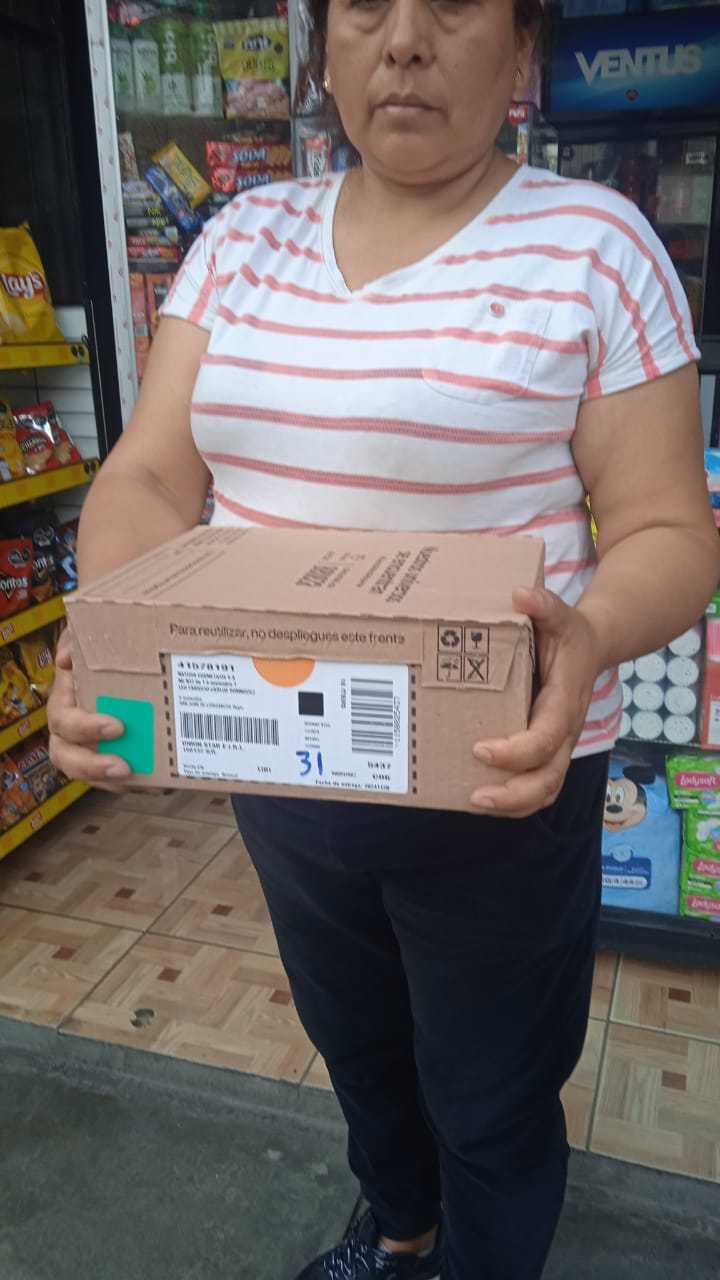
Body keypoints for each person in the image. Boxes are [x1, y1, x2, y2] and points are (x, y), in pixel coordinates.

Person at [48, 0, 719, 1275]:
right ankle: (400, 1228)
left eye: (452, 4)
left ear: (524, 48)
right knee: (355, 1038)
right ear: (324, 44)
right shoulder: (243, 241)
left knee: (492, 1084)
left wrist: (587, 634)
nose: (404, 39)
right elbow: (148, 475)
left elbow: (668, 528)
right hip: (285, 752)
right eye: (364, 6)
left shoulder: (594, 246)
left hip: (499, 776)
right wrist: (109, 629)